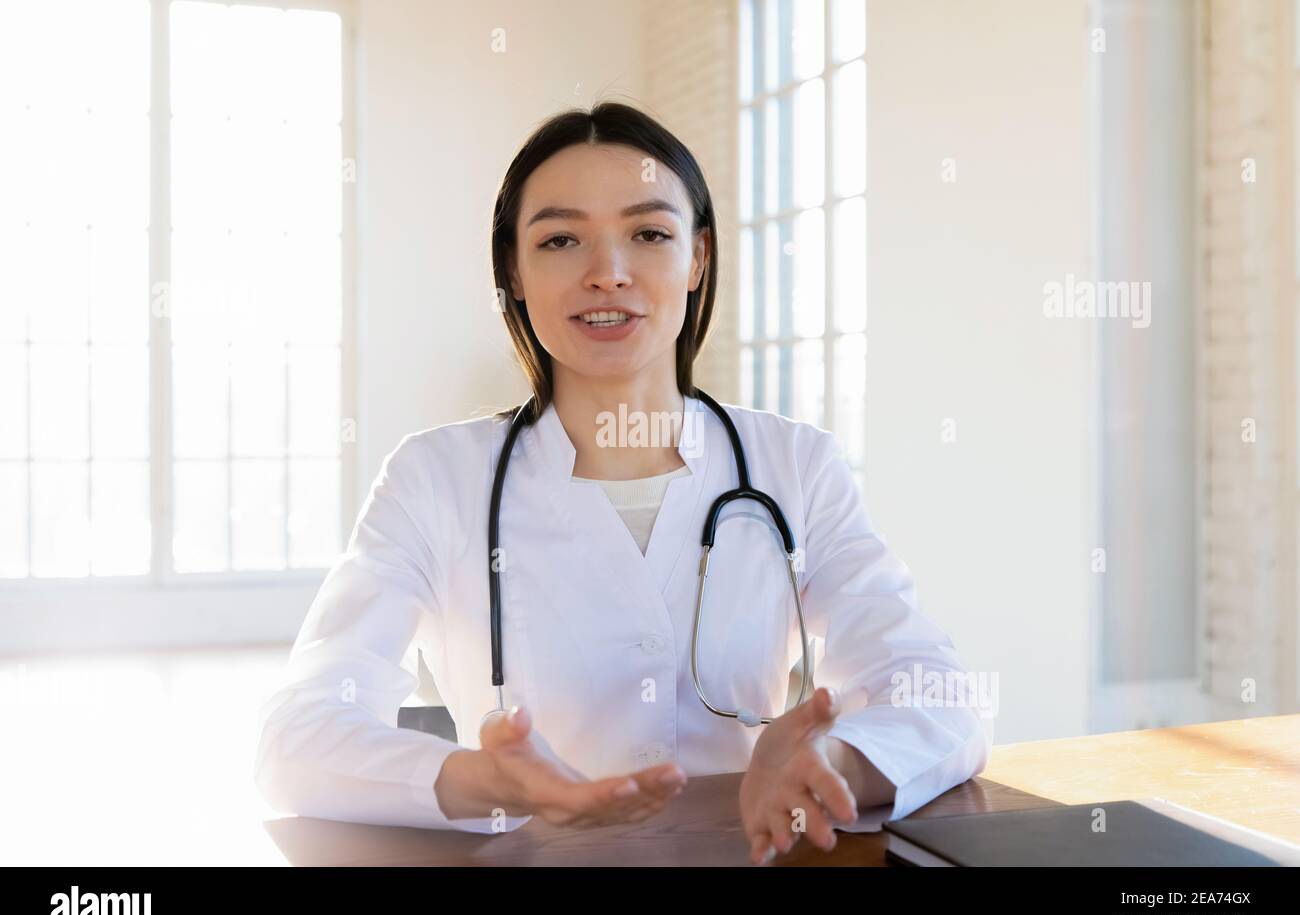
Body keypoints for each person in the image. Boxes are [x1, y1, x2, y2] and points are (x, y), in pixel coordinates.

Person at [254, 101, 991, 865]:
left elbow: (938, 693)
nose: (607, 273)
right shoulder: (435, 479)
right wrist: (486, 781)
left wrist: (828, 767)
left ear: (698, 257)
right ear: (513, 267)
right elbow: (297, 736)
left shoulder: (796, 467)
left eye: (649, 233)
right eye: (561, 239)